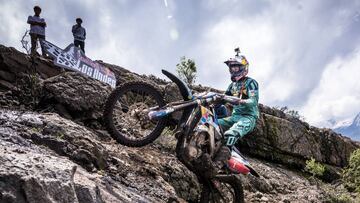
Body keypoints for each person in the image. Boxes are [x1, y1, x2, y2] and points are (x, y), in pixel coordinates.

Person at [215, 52, 259, 165]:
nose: (234, 70)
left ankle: (220, 161)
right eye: (232, 68)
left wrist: (241, 101)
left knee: (231, 133)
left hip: (248, 118)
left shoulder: (251, 83)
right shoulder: (232, 86)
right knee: (211, 124)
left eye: (237, 67)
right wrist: (212, 101)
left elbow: (253, 101)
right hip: (234, 117)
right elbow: (223, 99)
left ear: (244, 67)